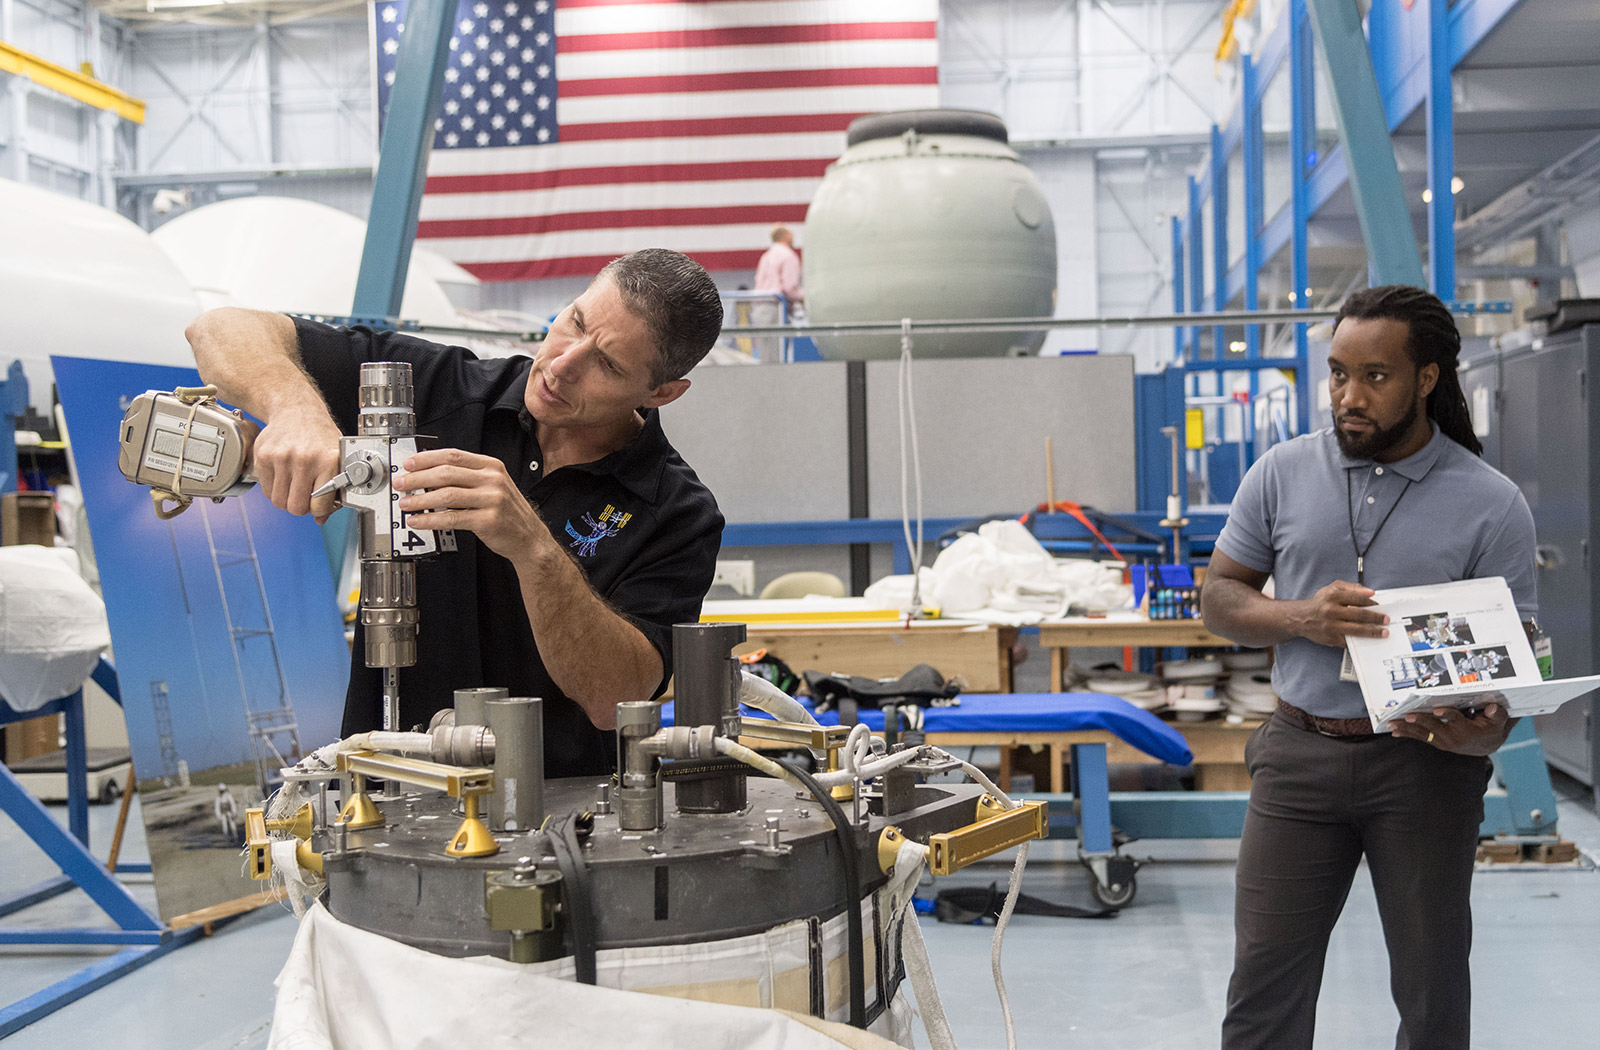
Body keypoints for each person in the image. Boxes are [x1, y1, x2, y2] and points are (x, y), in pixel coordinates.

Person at [185, 249, 726, 778]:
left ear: (661, 393)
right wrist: (296, 409)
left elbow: (617, 699)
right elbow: (218, 328)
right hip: (381, 791)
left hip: (556, 823)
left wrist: (534, 549)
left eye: (605, 364)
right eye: (574, 322)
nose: (562, 365)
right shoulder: (436, 388)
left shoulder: (678, 515)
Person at [1201, 284, 1537, 1050]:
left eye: (1375, 376)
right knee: (1263, 985)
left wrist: (1484, 730)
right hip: (1297, 756)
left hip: (1422, 768)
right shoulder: (1280, 474)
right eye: (1337, 374)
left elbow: (1513, 658)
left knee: (1432, 990)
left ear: (1426, 380)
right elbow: (1220, 599)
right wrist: (1301, 619)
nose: (1350, 396)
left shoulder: (1492, 504)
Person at [753, 224, 803, 312]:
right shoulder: (788, 256)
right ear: (787, 236)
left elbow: (758, 280)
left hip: (759, 307)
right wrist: (804, 296)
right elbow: (789, 288)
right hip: (778, 307)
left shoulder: (766, 256)